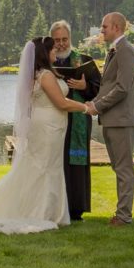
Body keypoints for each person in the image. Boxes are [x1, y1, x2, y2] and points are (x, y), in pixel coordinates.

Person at [0, 36, 90, 234]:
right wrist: (86, 108)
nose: (55, 53)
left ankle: (49, 212)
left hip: (50, 125)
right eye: (52, 50)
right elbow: (61, 103)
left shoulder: (39, 74)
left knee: (46, 167)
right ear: (45, 53)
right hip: (47, 127)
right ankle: (41, 213)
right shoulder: (46, 76)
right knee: (43, 168)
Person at [86, 12, 134, 227]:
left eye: (104, 27)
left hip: (121, 120)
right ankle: (121, 213)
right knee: (119, 168)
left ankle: (124, 216)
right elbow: (108, 85)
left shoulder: (125, 51)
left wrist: (97, 106)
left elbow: (122, 89)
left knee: (124, 169)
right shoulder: (116, 50)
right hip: (112, 119)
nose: (102, 30)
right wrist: (92, 103)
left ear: (116, 27)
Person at [49, 19, 101, 222]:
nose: (61, 43)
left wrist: (83, 87)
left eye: (64, 39)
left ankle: (75, 209)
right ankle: (54, 206)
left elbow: (99, 88)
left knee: (75, 164)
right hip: (54, 120)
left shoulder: (84, 60)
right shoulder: (47, 62)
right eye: (57, 40)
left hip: (77, 120)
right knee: (55, 162)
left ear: (70, 38)